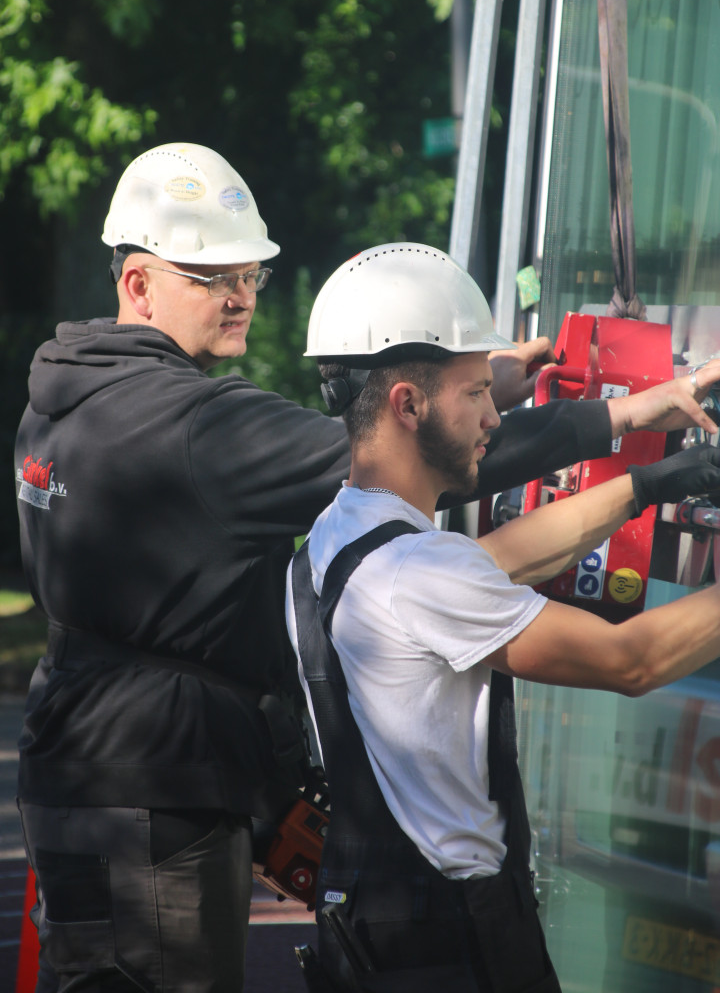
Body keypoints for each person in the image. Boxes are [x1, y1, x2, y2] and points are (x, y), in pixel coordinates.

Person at [14, 146, 720, 993]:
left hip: (76, 759)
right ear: (138, 284)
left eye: (252, 274)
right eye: (212, 276)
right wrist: (620, 414)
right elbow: (381, 452)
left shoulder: (69, 400)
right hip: (159, 785)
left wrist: (493, 394)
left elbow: (457, 525)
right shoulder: (198, 429)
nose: (239, 294)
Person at [287, 242, 720, 993]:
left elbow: (505, 556)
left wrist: (653, 480)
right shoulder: (420, 575)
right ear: (407, 404)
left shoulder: (342, 532)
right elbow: (632, 661)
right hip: (455, 939)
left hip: (379, 922)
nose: (495, 416)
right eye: (475, 393)